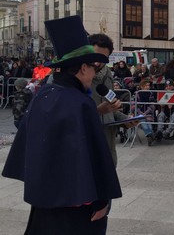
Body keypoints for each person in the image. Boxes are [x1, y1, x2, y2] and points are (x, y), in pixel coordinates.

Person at [2, 15, 121, 234]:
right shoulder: (80, 103)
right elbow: (92, 157)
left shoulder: (44, 95)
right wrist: (102, 200)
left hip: (44, 199)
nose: (94, 74)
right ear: (83, 68)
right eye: (93, 68)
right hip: (77, 206)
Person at [88, 33, 138, 166]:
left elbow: (110, 108)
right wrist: (97, 111)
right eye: (94, 56)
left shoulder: (108, 75)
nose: (97, 62)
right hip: (88, 142)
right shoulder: (79, 76)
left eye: (103, 58)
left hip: (108, 142)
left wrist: (125, 119)